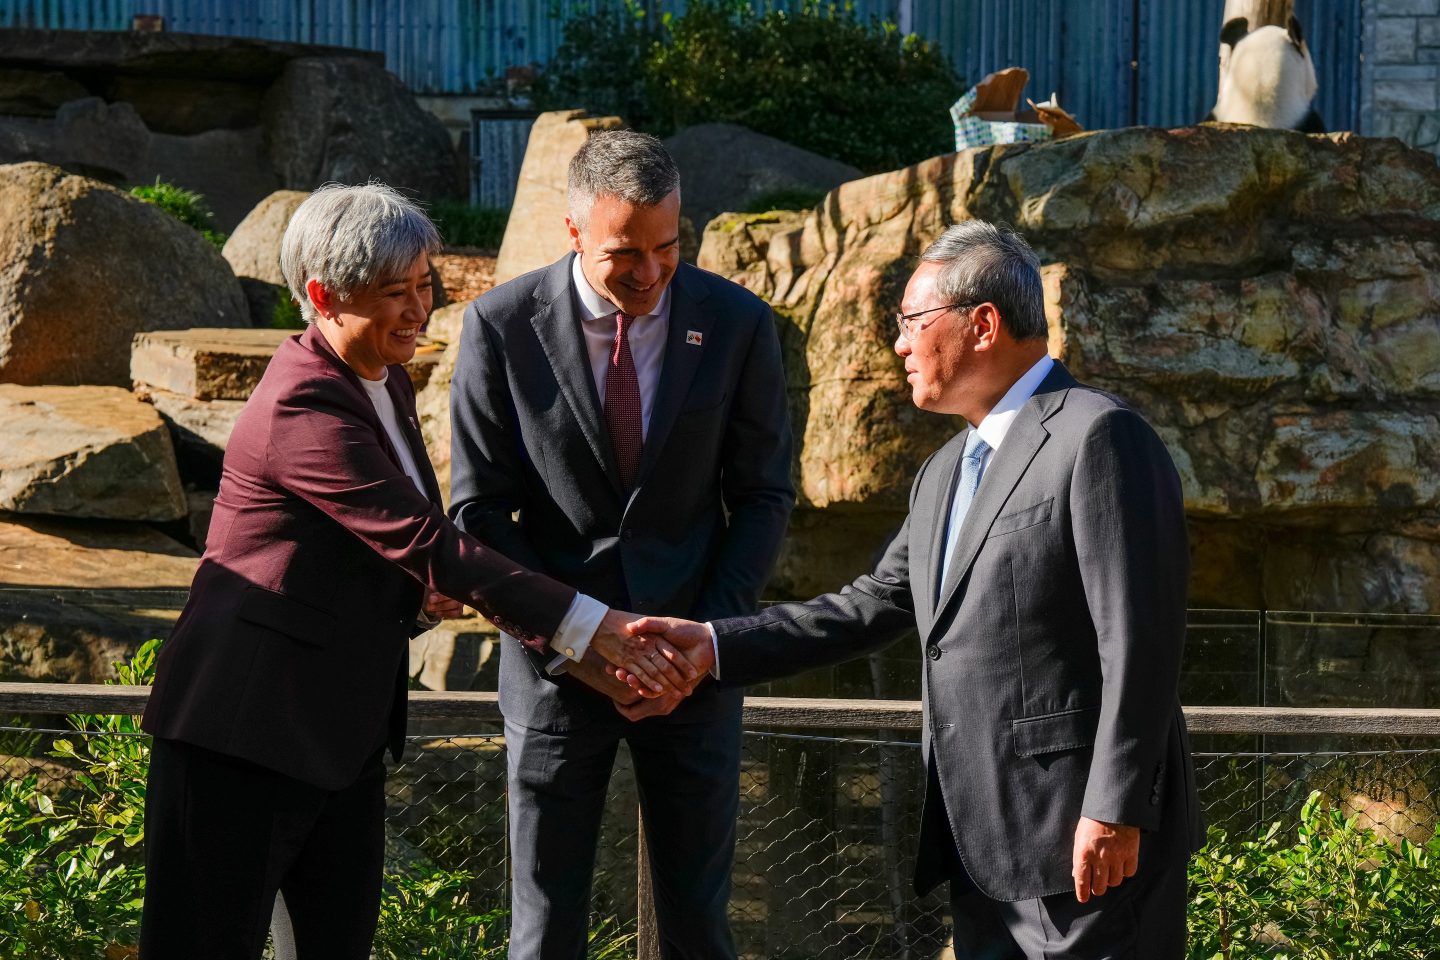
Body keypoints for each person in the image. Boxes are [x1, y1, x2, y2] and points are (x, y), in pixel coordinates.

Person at [138, 183, 687, 960]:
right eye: (395, 293)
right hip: (241, 737)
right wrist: (592, 629)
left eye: (426, 285)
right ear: (322, 296)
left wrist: (424, 599)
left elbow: (396, 553)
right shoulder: (303, 403)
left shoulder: (386, 377)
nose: (418, 309)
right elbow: (431, 541)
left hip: (340, 739)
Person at [626, 221, 1204, 958]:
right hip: (979, 843)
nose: (898, 345)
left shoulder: (1099, 436)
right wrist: (710, 644)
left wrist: (1116, 809)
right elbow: (870, 604)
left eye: (910, 323)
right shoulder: (943, 474)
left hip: (1084, 844)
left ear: (983, 324)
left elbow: (1142, 643)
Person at [449, 130, 794, 959]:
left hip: (691, 663)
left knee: (698, 927)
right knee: (543, 930)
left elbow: (762, 496)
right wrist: (579, 641)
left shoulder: (740, 323)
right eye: (623, 254)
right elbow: (478, 513)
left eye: (667, 246)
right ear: (572, 231)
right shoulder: (499, 325)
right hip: (554, 669)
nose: (648, 272)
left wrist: (699, 647)